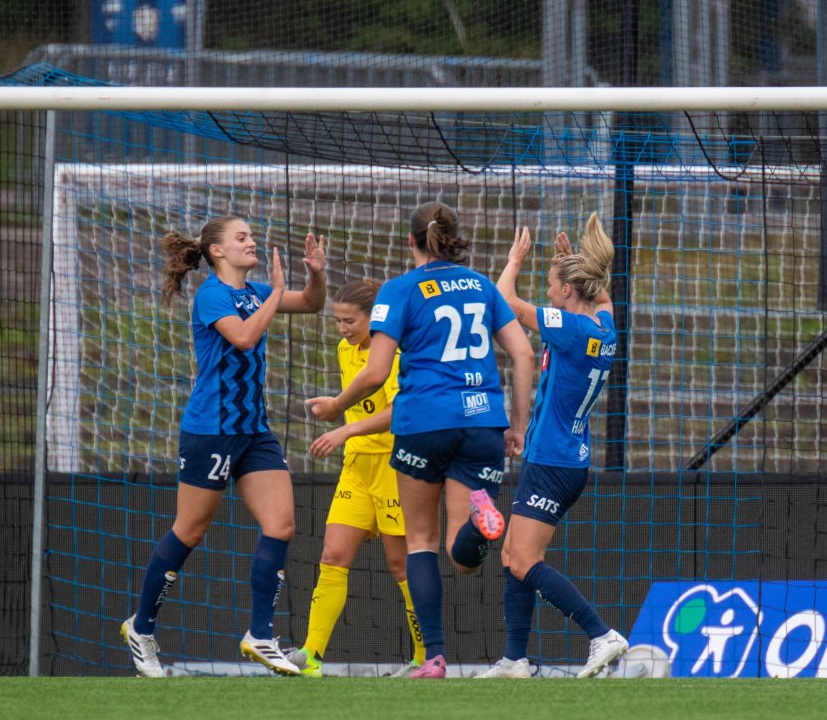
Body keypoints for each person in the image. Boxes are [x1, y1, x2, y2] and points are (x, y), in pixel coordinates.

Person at [307, 201, 534, 679]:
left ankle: (433, 658)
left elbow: (374, 373)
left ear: (410, 240)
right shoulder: (481, 286)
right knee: (463, 556)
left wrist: (335, 407)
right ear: (455, 239)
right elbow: (522, 351)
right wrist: (517, 424)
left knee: (421, 543)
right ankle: (479, 521)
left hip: (424, 424)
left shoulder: (399, 290)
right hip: (482, 421)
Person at [120, 215, 326, 677]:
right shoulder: (212, 295)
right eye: (242, 237)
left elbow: (312, 304)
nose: (252, 242)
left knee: (282, 524)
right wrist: (275, 292)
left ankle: (260, 634)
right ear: (217, 251)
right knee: (189, 531)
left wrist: (315, 273)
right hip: (211, 430)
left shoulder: (255, 294)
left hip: (253, 430)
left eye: (252, 235)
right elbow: (245, 337)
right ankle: (142, 628)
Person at [476, 213, 628, 680]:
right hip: (562, 458)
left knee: (523, 559)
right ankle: (514, 659)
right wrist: (571, 264)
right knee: (510, 557)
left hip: (554, 460)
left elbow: (502, 301)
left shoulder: (571, 329)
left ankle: (601, 634)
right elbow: (600, 295)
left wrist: (514, 260)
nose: (547, 290)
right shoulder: (603, 328)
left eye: (551, 284)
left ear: (566, 294)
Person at [285, 279, 426, 678]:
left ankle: (423, 658)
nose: (343, 328)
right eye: (338, 321)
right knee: (333, 556)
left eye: (350, 321)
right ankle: (311, 656)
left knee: (402, 566)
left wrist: (345, 428)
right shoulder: (345, 349)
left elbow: (400, 412)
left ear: (372, 318)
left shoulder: (395, 352)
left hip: (393, 469)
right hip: (357, 468)